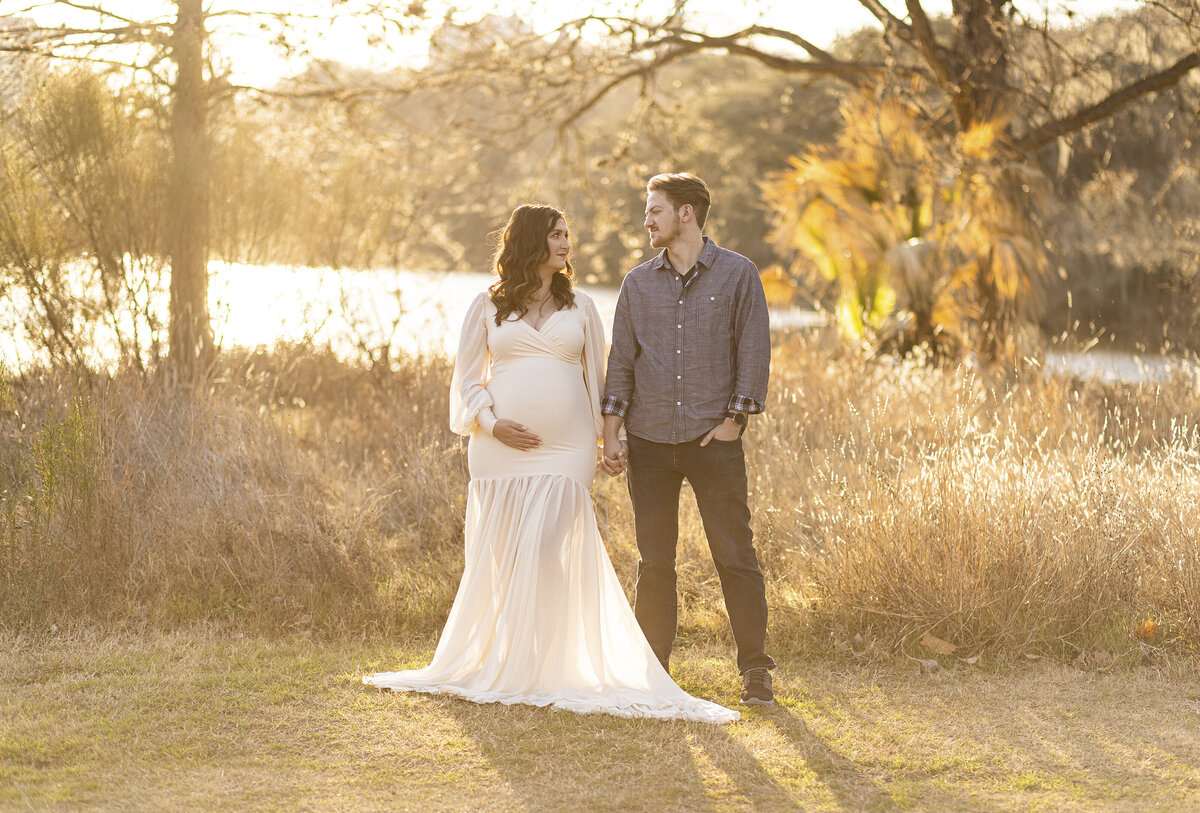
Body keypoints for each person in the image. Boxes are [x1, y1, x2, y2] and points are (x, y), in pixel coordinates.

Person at [363, 204, 738, 723]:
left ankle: (550, 664)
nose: (566, 243)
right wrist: (493, 425)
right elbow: (466, 381)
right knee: (504, 554)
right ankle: (510, 660)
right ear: (531, 243)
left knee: (543, 548)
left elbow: (601, 381)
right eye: (557, 235)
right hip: (498, 450)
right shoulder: (487, 305)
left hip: (567, 450)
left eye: (568, 235)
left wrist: (611, 439)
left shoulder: (581, 305)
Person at [600, 173, 776, 705]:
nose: (646, 220)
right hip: (650, 443)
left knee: (735, 555)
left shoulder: (739, 274)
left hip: (713, 442)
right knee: (655, 560)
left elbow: (755, 351)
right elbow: (620, 364)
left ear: (687, 214)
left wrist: (734, 422)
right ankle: (654, 670)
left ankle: (755, 671)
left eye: (654, 210)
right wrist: (613, 431)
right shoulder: (637, 284)